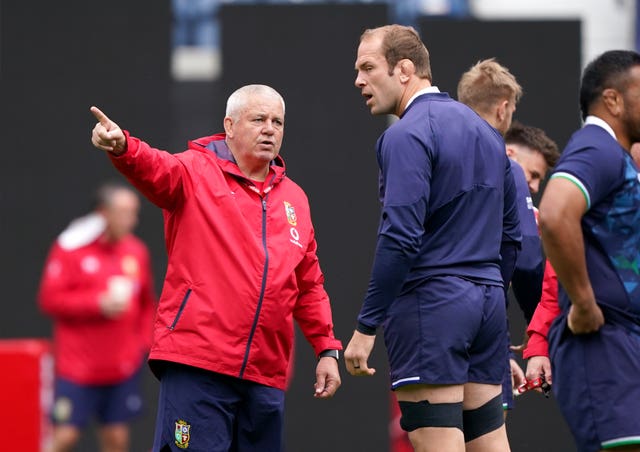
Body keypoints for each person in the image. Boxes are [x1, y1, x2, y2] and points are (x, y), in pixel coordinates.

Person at [89, 84, 342, 452]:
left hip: (265, 374)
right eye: (258, 119)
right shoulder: (194, 171)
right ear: (230, 125)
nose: (270, 129)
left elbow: (309, 285)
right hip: (198, 364)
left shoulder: (295, 200)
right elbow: (154, 168)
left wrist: (326, 349)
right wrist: (124, 146)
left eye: (278, 122)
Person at [345, 24, 518, 452]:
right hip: (488, 304)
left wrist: (367, 326)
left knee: (436, 442)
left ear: (404, 70)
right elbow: (514, 237)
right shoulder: (489, 134)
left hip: (433, 305)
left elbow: (400, 236)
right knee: (489, 441)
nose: (359, 80)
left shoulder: (404, 135)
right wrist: (491, 293)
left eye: (368, 67)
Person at [538, 49, 640, 452]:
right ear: (613, 100)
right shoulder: (597, 145)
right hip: (602, 350)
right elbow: (554, 212)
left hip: (621, 346)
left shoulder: (616, 155)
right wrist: (582, 302)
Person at [38, 182, 157, 452]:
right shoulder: (71, 248)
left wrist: (143, 344)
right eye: (126, 213)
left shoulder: (135, 251)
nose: (133, 221)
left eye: (134, 212)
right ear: (104, 213)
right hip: (77, 369)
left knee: (116, 438)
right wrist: (97, 304)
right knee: (64, 437)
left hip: (121, 368)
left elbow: (146, 304)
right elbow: (50, 300)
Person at [457, 58, 541, 414]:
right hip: (485, 317)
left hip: (426, 321)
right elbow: (527, 256)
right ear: (504, 108)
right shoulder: (507, 167)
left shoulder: (431, 158)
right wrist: (538, 325)